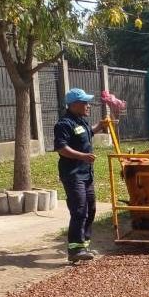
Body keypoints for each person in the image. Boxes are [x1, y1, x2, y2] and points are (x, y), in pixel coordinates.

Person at [54, 88, 106, 262]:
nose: (88, 105)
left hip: (86, 174)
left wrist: (99, 126)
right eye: (85, 102)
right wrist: (82, 156)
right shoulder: (64, 124)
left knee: (90, 209)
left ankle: (84, 245)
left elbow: (86, 134)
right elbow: (61, 148)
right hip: (73, 174)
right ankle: (74, 250)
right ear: (74, 104)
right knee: (79, 210)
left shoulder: (80, 122)